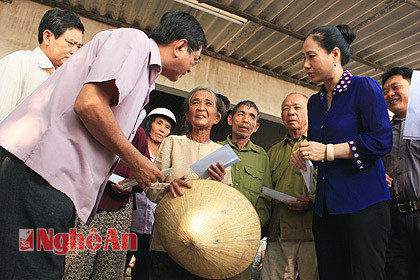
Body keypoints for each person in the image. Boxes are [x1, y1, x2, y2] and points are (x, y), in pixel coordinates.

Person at [0, 11, 206, 279]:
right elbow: (90, 104)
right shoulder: (135, 43)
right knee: (31, 271)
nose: (191, 68)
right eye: (195, 59)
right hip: (40, 175)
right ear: (180, 46)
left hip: (55, 183)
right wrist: (137, 160)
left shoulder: (145, 73)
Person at [291, 25, 393, 280]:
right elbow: (316, 149)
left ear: (334, 54)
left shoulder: (364, 88)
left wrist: (327, 151)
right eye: (303, 58)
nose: (305, 64)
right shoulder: (314, 103)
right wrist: (302, 155)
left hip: (364, 204)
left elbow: (381, 141)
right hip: (326, 208)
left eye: (311, 56)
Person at [144, 87, 232, 280]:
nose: (201, 107)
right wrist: (168, 187)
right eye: (195, 103)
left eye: (208, 103)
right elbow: (150, 188)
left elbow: (227, 205)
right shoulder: (172, 143)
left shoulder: (222, 154)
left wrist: (218, 186)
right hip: (166, 239)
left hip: (204, 243)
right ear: (187, 114)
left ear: (217, 118)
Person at [63, 126, 150, 280]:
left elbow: (146, 174)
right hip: (88, 204)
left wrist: (131, 184)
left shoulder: (138, 132)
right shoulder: (97, 121)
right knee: (77, 264)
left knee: (111, 268)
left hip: (120, 209)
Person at [261, 93, 318, 280]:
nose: (290, 112)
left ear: (310, 113)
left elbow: (335, 184)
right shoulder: (273, 152)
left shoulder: (320, 146)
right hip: (278, 233)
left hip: (312, 233)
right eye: (285, 109)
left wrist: (311, 200)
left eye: (297, 107)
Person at [217, 100, 272, 280]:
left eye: (251, 117)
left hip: (245, 237)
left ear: (256, 127)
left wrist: (257, 226)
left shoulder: (261, 156)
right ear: (230, 119)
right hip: (215, 231)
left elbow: (266, 195)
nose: (246, 120)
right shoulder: (215, 148)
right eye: (241, 114)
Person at [0, 8, 84, 122]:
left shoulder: (62, 78)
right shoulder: (19, 62)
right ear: (47, 37)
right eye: (70, 43)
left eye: (79, 47)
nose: (75, 52)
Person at [125, 107, 177, 280]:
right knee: (119, 265)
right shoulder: (136, 150)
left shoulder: (170, 156)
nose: (162, 129)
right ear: (150, 124)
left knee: (143, 273)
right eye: (159, 123)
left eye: (167, 126)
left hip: (154, 228)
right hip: (131, 223)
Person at [381, 67, 420, 280]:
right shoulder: (383, 132)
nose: (390, 94)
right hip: (394, 218)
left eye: (396, 87)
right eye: (385, 91)